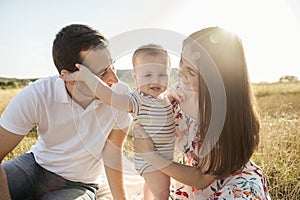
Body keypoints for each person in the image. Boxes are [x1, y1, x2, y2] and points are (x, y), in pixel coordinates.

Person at [134, 27, 271, 199]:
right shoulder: (178, 92)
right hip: (191, 180)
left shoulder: (224, 118)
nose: (181, 72)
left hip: (231, 185)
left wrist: (152, 156)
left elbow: (202, 178)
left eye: (191, 71)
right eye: (181, 63)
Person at [0, 24, 131, 200]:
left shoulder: (119, 96)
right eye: (101, 73)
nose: (114, 79)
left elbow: (112, 153)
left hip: (79, 184)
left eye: (112, 66)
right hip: (35, 166)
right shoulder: (38, 94)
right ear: (70, 77)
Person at [61, 44, 175, 200]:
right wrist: (88, 78)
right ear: (135, 76)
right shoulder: (138, 100)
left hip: (162, 157)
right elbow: (110, 96)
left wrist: (174, 94)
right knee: (163, 192)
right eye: (147, 75)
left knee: (151, 186)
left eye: (162, 75)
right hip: (151, 159)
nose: (155, 81)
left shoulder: (162, 97)